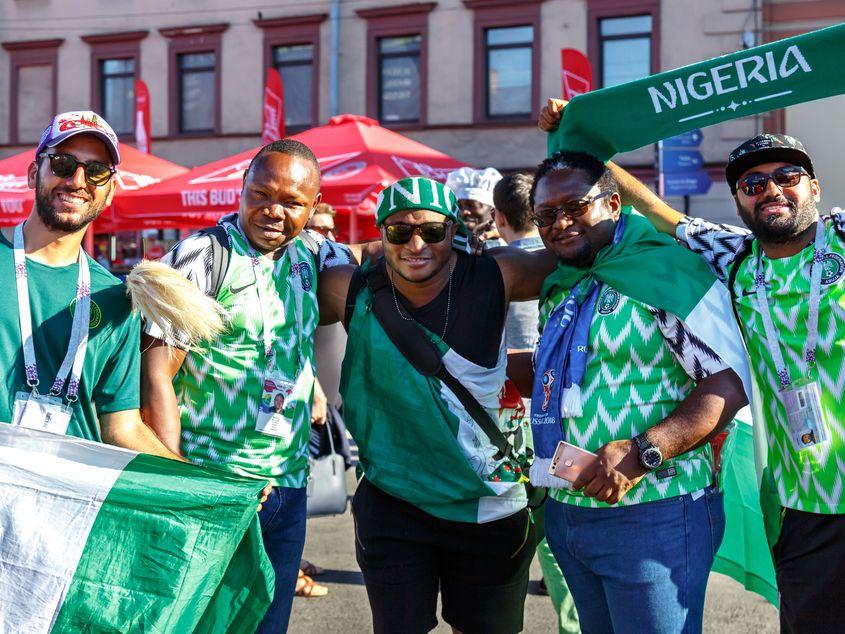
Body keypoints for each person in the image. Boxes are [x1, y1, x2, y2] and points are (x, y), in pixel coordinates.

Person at [541, 98, 845, 632]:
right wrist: (581, 138)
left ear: (815, 188)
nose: (772, 189)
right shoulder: (731, 256)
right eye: (753, 184)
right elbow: (658, 212)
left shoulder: (842, 235)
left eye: (788, 176)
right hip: (806, 496)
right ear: (739, 200)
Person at [140, 139, 377, 632]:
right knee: (201, 625)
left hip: (287, 486)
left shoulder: (314, 252)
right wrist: (179, 480)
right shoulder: (202, 257)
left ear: (314, 205)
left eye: (292, 202)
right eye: (261, 194)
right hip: (214, 484)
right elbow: (157, 373)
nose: (273, 211)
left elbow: (372, 260)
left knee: (270, 624)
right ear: (242, 188)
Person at [317, 176, 558, 634]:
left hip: (488, 504)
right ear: (380, 233)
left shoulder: (496, 274)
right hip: (395, 498)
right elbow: (270, 282)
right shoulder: (350, 287)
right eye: (398, 232)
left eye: (430, 231)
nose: (415, 244)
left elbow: (587, 252)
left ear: (454, 230)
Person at [524, 150, 749, 633]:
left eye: (575, 207)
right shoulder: (562, 284)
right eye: (546, 215)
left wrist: (644, 449)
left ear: (612, 203)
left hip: (657, 515)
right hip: (571, 513)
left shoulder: (666, 271)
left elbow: (728, 383)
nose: (561, 223)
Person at [0, 111, 180, 460]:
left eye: (97, 171)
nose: (78, 180)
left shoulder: (116, 299)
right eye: (63, 164)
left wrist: (201, 483)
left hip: (68, 499)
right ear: (35, 173)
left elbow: (122, 427)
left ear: (110, 191)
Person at [446, 166, 504, 244]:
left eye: (472, 205)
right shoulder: (450, 243)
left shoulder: (505, 246)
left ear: (493, 211)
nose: (464, 212)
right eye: (459, 206)